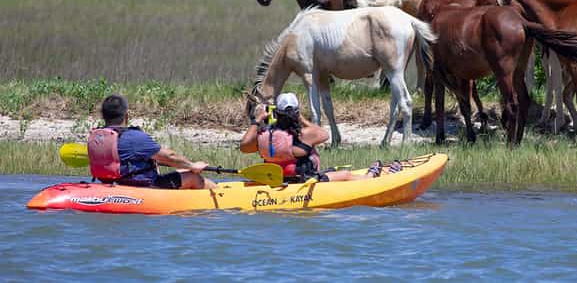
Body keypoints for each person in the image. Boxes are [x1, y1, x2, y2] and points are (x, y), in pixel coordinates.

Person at [240, 93, 402, 182]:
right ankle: (370, 178)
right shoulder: (303, 135)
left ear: (277, 113)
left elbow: (244, 146)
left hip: (279, 180)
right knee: (344, 175)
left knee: (331, 171)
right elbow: (324, 135)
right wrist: (301, 118)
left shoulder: (263, 137)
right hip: (304, 180)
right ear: (296, 113)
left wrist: (258, 120)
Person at [87, 94, 216, 190]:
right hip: (144, 187)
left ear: (103, 116)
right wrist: (193, 165)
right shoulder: (134, 137)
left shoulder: (96, 137)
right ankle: (220, 195)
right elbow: (170, 156)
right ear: (126, 115)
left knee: (182, 172)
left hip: (112, 184)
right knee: (193, 177)